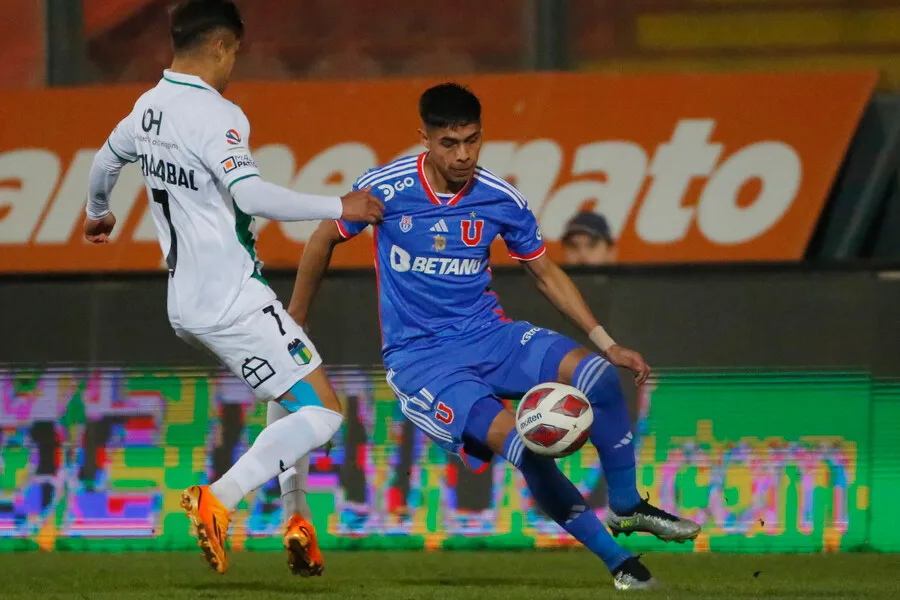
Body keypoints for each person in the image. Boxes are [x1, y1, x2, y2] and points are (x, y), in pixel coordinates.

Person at [289, 83, 701, 591]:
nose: (463, 154)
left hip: (490, 336)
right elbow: (322, 238)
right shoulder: (385, 189)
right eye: (449, 143)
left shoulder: (500, 198)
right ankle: (621, 564)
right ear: (425, 139)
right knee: (525, 447)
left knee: (598, 374)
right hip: (423, 361)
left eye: (472, 140)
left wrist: (606, 341)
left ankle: (626, 504)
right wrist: (296, 320)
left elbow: (544, 271)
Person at [82, 0, 383, 575]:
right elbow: (250, 196)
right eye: (235, 52)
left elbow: (104, 162)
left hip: (186, 302)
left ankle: (296, 516)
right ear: (221, 46)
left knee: (289, 389)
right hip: (231, 297)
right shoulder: (218, 115)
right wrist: (338, 205)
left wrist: (99, 212)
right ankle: (219, 498)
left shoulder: (148, 107)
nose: (234, 64)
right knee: (324, 412)